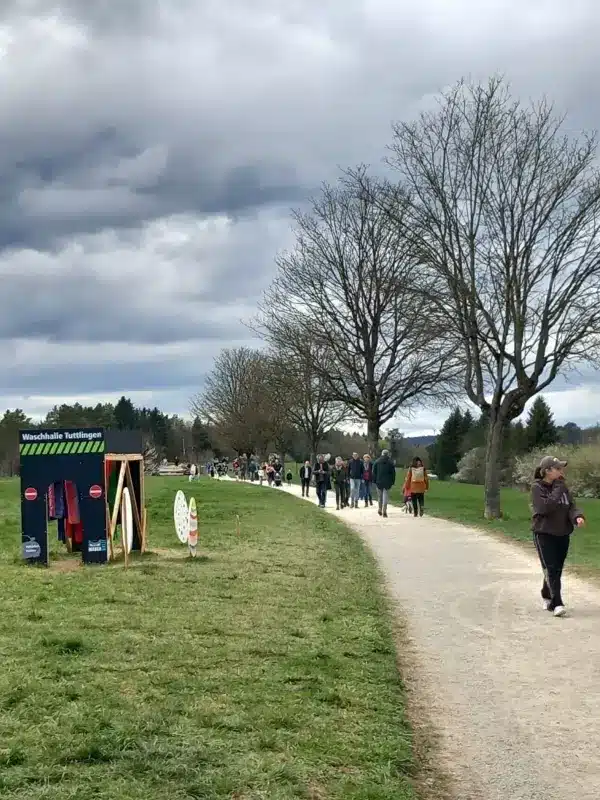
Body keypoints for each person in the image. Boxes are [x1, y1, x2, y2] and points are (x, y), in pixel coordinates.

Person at [532, 456, 584, 617]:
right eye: (558, 468)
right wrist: (558, 488)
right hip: (544, 533)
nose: (562, 471)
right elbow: (545, 508)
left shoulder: (561, 486)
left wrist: (577, 516)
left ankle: (547, 594)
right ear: (547, 471)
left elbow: (571, 505)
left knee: (557, 568)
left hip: (562, 532)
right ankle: (557, 603)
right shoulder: (537, 487)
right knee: (551, 568)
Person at [373, 449, 396, 518]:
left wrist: (374, 481)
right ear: (388, 454)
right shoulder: (390, 463)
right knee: (385, 497)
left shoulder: (377, 461)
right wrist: (392, 482)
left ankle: (380, 509)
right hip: (387, 482)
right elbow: (393, 474)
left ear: (382, 454)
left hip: (379, 482)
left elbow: (374, 472)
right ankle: (384, 511)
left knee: (380, 497)